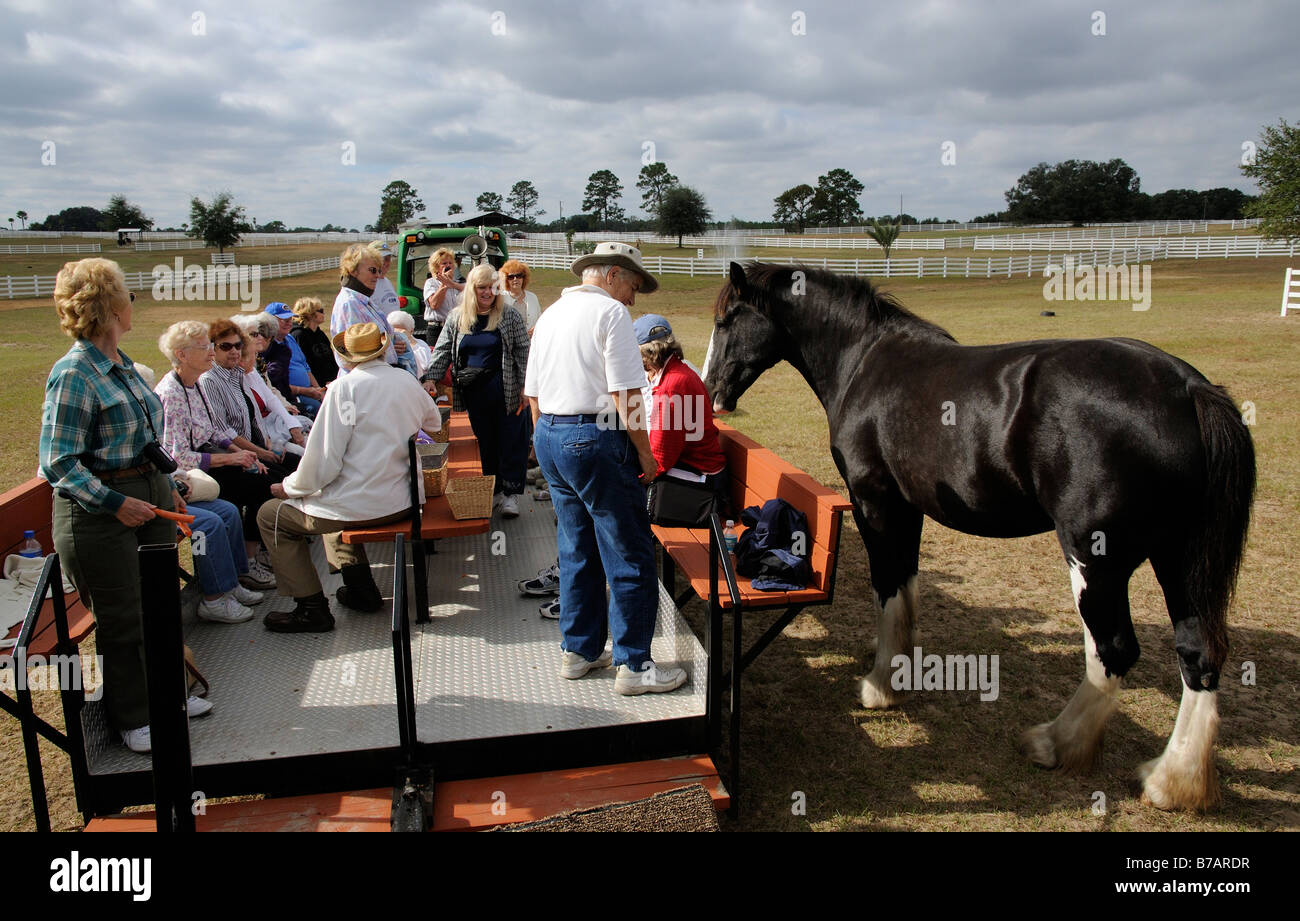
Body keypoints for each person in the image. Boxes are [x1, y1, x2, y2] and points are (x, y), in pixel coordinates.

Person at [39, 258, 212, 755]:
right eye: (128, 296)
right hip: (99, 514)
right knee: (122, 616)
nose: (133, 304)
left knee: (158, 604)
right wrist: (115, 504)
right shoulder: (73, 373)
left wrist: (165, 486)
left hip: (146, 495)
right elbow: (58, 463)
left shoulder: (117, 362)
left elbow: (142, 440)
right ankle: (135, 717)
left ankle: (170, 695)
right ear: (111, 307)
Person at [524, 242, 687, 695]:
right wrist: (646, 455)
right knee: (629, 551)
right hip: (593, 437)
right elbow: (627, 396)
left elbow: (533, 392)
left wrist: (545, 441)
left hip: (552, 433)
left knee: (577, 547)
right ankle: (634, 666)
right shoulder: (611, 314)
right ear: (614, 275)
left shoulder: (553, 312)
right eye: (633, 285)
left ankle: (579, 650)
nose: (633, 299)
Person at [257, 323, 442, 632]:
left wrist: (289, 488)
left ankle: (311, 606)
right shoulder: (405, 380)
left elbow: (324, 459)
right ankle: (360, 590)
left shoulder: (345, 388)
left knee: (270, 515)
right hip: (404, 501)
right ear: (381, 350)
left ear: (347, 356)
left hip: (363, 505)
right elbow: (433, 422)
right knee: (323, 501)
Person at [154, 319, 278, 612]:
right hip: (184, 480)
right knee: (215, 518)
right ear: (182, 355)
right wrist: (231, 458)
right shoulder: (171, 394)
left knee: (230, 511)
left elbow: (213, 431)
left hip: (202, 470)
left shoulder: (194, 384)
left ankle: (235, 579)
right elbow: (177, 456)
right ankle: (216, 595)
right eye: (205, 347)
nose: (211, 352)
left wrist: (244, 454)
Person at [422, 263, 530, 518]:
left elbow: (523, 351)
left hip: (507, 390)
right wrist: (431, 378)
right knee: (486, 442)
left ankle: (510, 494)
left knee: (511, 441)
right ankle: (492, 490)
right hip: (475, 393)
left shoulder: (509, 316)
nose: (487, 293)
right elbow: (443, 350)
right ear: (472, 289)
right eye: (481, 287)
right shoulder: (457, 317)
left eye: (492, 287)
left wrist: (526, 386)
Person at [634, 313, 729, 516]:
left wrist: (633, 477)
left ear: (647, 354)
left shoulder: (672, 385)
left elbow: (660, 459)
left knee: (622, 487)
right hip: (693, 470)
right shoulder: (674, 373)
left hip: (703, 482)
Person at [331, 243, 397, 371]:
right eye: (372, 270)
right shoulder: (349, 304)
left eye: (378, 270)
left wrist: (394, 344)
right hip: (368, 377)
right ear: (353, 270)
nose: (377, 275)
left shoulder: (362, 300)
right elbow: (352, 355)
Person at [266, 301, 324, 415]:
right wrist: (306, 391)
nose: (289, 323)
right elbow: (275, 385)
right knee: (319, 411)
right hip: (291, 396)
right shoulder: (267, 347)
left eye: (290, 319)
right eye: (284, 320)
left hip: (308, 392)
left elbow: (305, 367)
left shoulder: (290, 338)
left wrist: (320, 391)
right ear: (270, 322)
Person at [290, 296, 337, 386]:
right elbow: (305, 365)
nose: (324, 314)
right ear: (309, 313)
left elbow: (330, 359)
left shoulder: (320, 334)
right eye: (321, 311)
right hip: (315, 386)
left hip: (332, 383)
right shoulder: (299, 335)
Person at [421, 247, 462, 347]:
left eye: (450, 263)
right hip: (437, 329)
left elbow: (470, 291)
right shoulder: (431, 283)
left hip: (456, 328)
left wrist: (452, 284)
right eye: (444, 264)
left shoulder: (458, 284)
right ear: (436, 267)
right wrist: (444, 284)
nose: (448, 266)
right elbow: (434, 304)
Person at [500, 258, 541, 334]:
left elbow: (540, 320)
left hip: (531, 343)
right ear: (506, 280)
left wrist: (536, 328)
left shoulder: (533, 297)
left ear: (524, 278)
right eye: (511, 277)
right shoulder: (501, 298)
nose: (515, 279)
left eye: (519, 275)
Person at [388, 309, 431, 378]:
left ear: (411, 331)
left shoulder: (419, 344)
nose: (397, 335)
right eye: (393, 331)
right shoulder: (387, 346)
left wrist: (410, 341)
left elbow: (426, 364)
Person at [368, 240, 401, 317]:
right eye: (381, 259)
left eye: (388, 259)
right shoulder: (367, 285)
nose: (385, 263)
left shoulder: (387, 282)